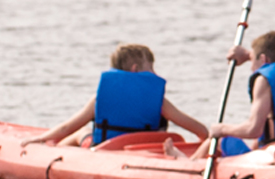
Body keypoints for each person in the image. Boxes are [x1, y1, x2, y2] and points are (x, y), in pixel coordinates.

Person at [24, 42, 209, 148]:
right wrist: (204, 144)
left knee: (81, 133)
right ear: (136, 70)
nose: (154, 73)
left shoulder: (99, 100)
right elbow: (199, 130)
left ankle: (53, 150)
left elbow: (67, 127)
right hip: (144, 149)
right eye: (151, 67)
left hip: (105, 150)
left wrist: (40, 138)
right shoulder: (160, 102)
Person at [196, 30, 275, 157]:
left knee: (220, 139)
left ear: (263, 59)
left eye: (252, 62)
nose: (252, 68)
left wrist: (222, 129)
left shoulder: (264, 79)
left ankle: (189, 167)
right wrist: (248, 55)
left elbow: (254, 130)